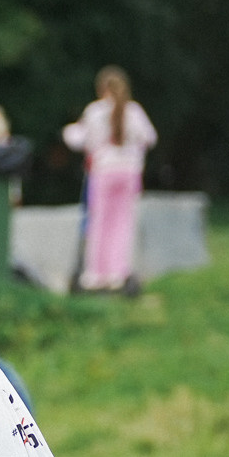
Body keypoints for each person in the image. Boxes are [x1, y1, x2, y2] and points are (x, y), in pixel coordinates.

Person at [61, 67, 156, 292]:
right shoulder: (134, 111)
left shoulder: (95, 111)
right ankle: (117, 273)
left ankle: (96, 274)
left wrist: (68, 131)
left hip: (104, 171)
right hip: (129, 172)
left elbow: (80, 139)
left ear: (102, 88)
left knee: (99, 223)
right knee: (122, 224)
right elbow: (150, 137)